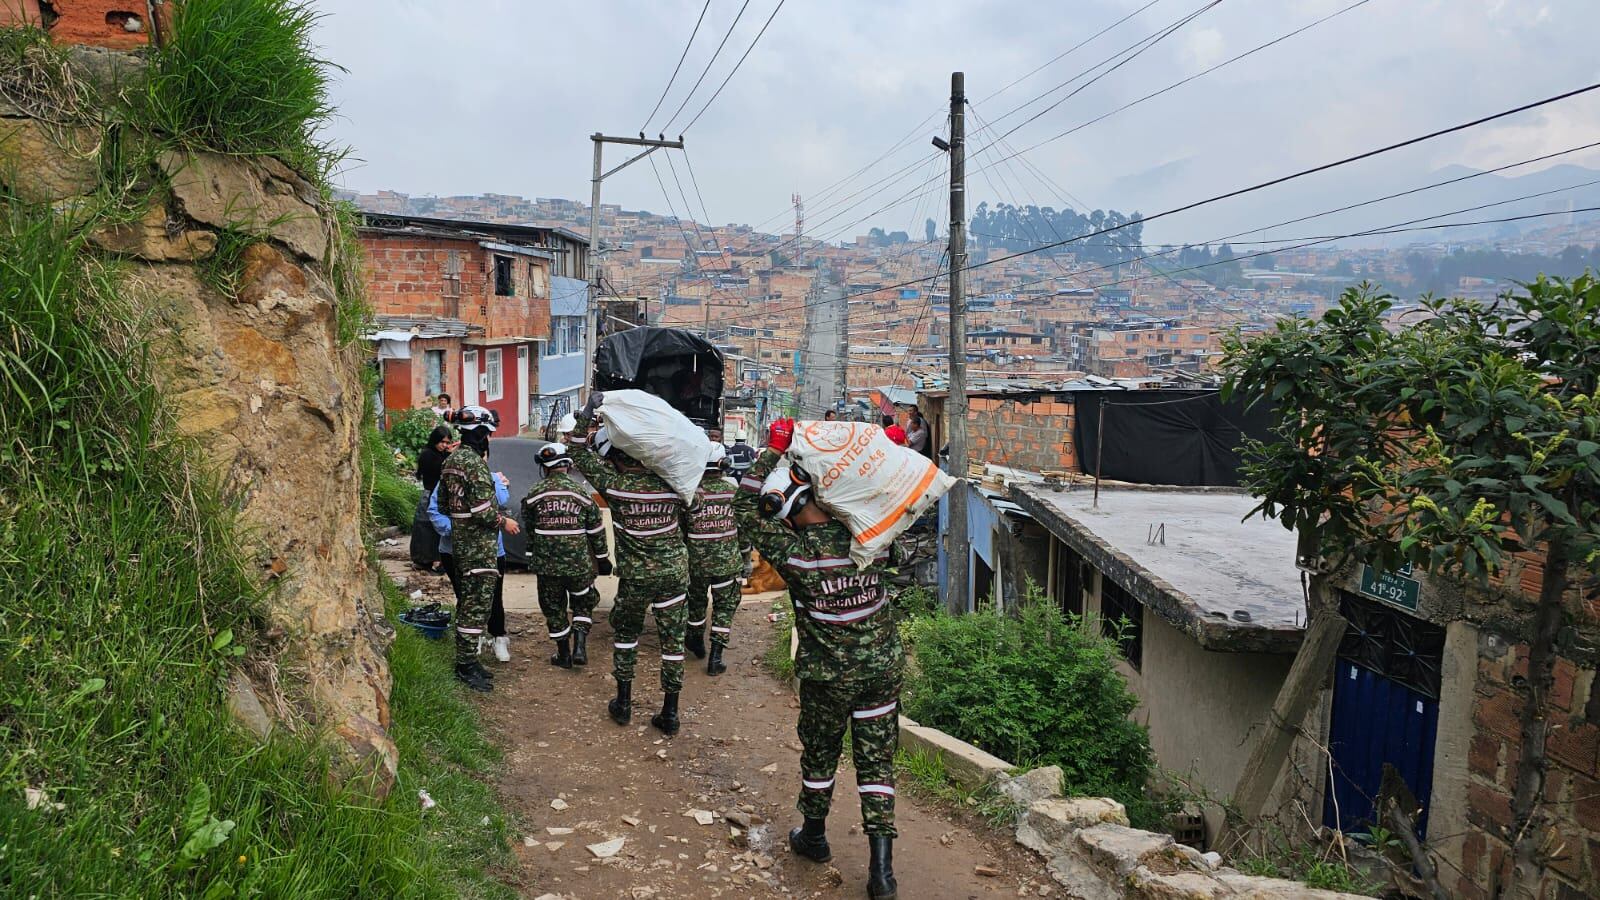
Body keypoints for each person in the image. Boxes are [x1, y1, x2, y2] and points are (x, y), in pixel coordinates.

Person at [734, 418, 903, 900]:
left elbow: (743, 510)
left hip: (829, 677)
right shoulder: (868, 535)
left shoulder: (794, 554)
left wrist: (772, 449)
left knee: (821, 753)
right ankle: (882, 874)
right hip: (881, 672)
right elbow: (893, 495)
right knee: (877, 764)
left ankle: (814, 836)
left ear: (786, 513)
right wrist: (888, 451)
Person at [568, 392, 692, 735]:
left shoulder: (617, 487)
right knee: (672, 642)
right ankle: (670, 713)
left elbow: (576, 450)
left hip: (636, 578)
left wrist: (589, 413)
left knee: (626, 636)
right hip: (674, 575)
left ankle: (623, 703)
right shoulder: (674, 484)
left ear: (620, 458)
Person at [435, 406, 520, 691]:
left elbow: (445, 506)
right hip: (480, 547)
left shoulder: (451, 461)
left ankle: (469, 659)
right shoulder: (473, 464)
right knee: (475, 607)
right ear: (482, 434)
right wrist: (503, 520)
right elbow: (484, 512)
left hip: (460, 544)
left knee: (469, 603)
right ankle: (465, 665)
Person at [521, 443, 612, 668]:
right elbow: (595, 530)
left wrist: (530, 557)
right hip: (579, 565)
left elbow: (530, 531)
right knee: (583, 601)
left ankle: (563, 654)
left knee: (553, 606)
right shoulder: (581, 493)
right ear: (568, 466)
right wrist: (602, 558)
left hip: (547, 566)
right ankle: (580, 645)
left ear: (545, 468)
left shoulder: (534, 494)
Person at [683, 442, 743, 676]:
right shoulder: (733, 492)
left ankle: (696, 640)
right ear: (723, 464)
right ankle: (716, 657)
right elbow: (744, 529)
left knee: (696, 602)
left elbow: (680, 528)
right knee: (724, 607)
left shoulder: (689, 493)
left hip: (696, 563)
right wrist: (746, 555)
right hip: (727, 564)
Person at [411, 425, 455, 572]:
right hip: (430, 494)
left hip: (439, 495)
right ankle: (423, 560)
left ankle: (437, 559)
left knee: (437, 529)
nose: (444, 445)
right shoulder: (427, 454)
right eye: (442, 442)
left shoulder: (442, 454)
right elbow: (438, 470)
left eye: (447, 442)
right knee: (425, 529)